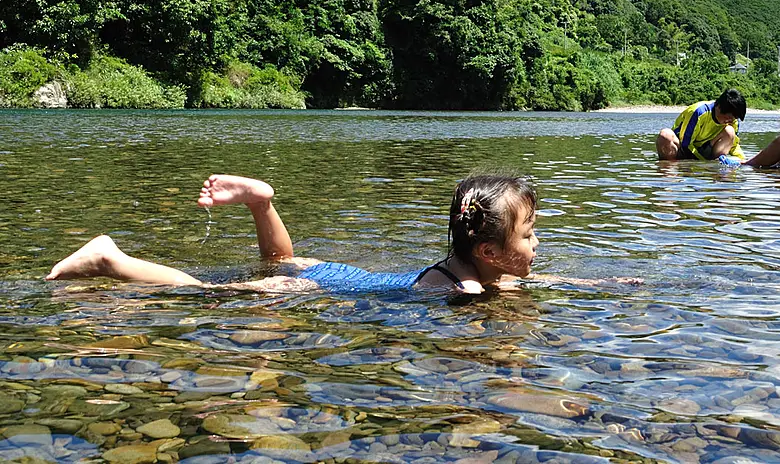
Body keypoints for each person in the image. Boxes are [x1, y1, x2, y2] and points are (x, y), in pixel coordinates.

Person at [46, 173, 539, 295]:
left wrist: (614, 287)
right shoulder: (465, 287)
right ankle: (109, 258)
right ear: (490, 251)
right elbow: (476, 296)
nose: (536, 246)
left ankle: (262, 203)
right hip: (314, 287)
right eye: (530, 235)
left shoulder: (485, 273)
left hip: (338, 272)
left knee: (281, 259)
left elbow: (533, 284)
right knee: (204, 292)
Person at [656, 88, 747, 161]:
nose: (731, 121)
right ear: (719, 107)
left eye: (734, 118)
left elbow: (734, 145)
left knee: (730, 131)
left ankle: (717, 165)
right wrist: (702, 163)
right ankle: (670, 169)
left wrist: (742, 160)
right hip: (682, 148)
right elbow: (686, 144)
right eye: (728, 117)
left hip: (705, 150)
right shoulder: (699, 112)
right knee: (665, 134)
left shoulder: (733, 121)